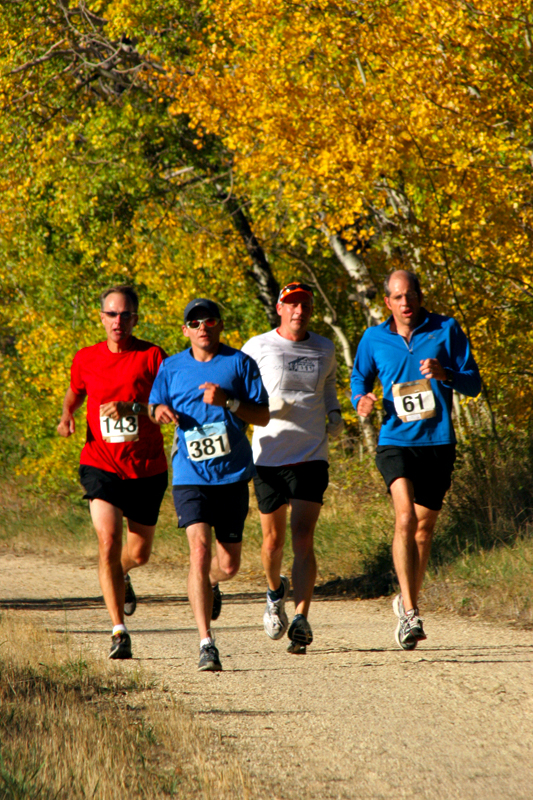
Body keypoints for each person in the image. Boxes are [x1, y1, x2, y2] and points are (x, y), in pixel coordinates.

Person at [351, 269, 481, 650]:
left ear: (419, 297)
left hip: (438, 442)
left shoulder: (446, 329)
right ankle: (410, 614)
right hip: (395, 440)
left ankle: (408, 598)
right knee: (405, 517)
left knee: (424, 531)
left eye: (410, 295)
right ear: (387, 302)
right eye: (397, 297)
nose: (404, 302)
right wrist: (361, 400)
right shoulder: (373, 337)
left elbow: (473, 383)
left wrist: (447, 373)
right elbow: (359, 379)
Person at [148, 298, 269, 672]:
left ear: (219, 326)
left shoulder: (239, 364)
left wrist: (229, 402)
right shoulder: (171, 367)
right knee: (199, 551)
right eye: (194, 321)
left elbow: (263, 416)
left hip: (232, 474)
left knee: (228, 564)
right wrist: (160, 413)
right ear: (185, 330)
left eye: (210, 320)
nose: (203, 326)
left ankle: (213, 583)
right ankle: (206, 642)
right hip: (190, 476)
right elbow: (154, 407)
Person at [57, 285, 168, 660]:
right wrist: (68, 414)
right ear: (101, 317)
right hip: (100, 462)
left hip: (146, 467)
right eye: (111, 314)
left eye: (125, 315)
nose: (117, 321)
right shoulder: (86, 357)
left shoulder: (153, 356)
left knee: (138, 554)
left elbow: (165, 407)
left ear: (135, 318)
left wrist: (133, 408)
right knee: (107, 542)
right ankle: (119, 630)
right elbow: (75, 391)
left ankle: (122, 575)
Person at [242, 282, 343, 654]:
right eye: (292, 305)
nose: (298, 311)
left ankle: (301, 618)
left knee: (303, 537)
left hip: (310, 452)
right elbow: (239, 386)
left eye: (304, 306)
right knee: (272, 542)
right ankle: (274, 592)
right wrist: (251, 408)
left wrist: (333, 413)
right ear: (280, 309)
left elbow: (329, 384)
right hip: (268, 455)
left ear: (310, 311)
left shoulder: (324, 347)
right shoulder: (257, 346)